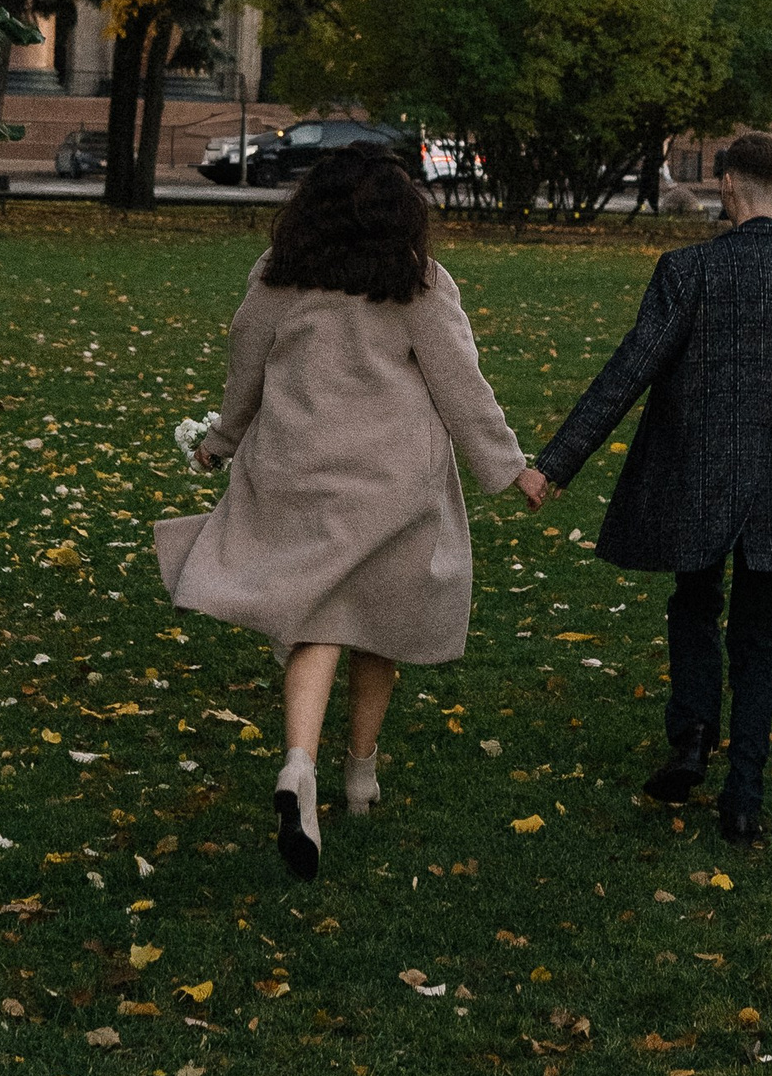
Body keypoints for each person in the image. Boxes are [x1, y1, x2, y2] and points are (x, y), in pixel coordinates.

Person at [154, 148, 541, 883]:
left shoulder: (277, 275)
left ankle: (298, 762)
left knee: (318, 618)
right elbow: (462, 383)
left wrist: (221, 440)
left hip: (297, 471)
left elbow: (246, 365)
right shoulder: (418, 282)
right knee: (381, 619)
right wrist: (509, 466)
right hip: (392, 482)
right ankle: (359, 772)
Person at [524, 129, 772, 847]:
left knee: (695, 604)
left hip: (697, 471)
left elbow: (625, 372)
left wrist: (556, 462)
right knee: (761, 637)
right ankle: (745, 794)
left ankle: (693, 737)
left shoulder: (685, 271)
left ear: (725, 185)